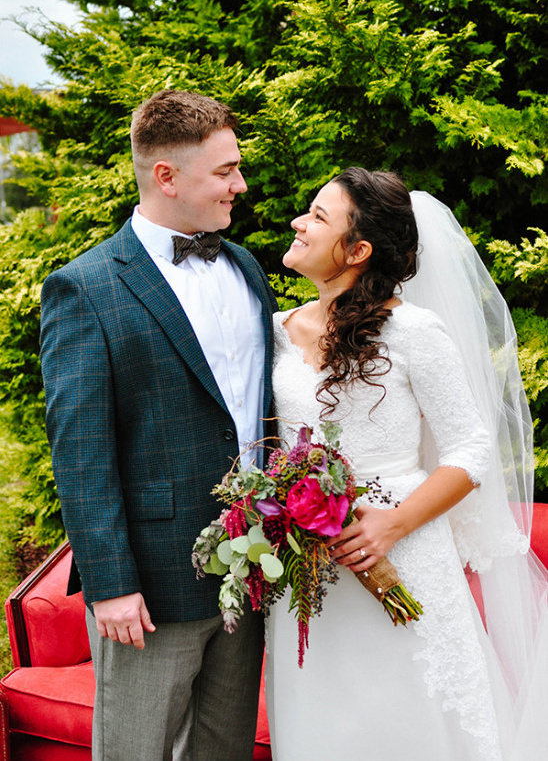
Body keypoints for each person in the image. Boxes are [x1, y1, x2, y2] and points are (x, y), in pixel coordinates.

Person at [265, 167, 548, 760]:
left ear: (358, 250)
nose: (299, 222)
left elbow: (471, 449)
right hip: (310, 571)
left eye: (319, 215)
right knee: (326, 722)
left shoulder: (415, 331)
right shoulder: (274, 331)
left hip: (406, 552)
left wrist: (393, 524)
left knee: (415, 723)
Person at [40, 89, 277, 761]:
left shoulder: (245, 268)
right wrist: (110, 583)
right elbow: (81, 451)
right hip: (149, 585)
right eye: (225, 171)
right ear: (166, 176)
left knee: (222, 747)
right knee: (135, 751)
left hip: (249, 571)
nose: (242, 184)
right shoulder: (83, 287)